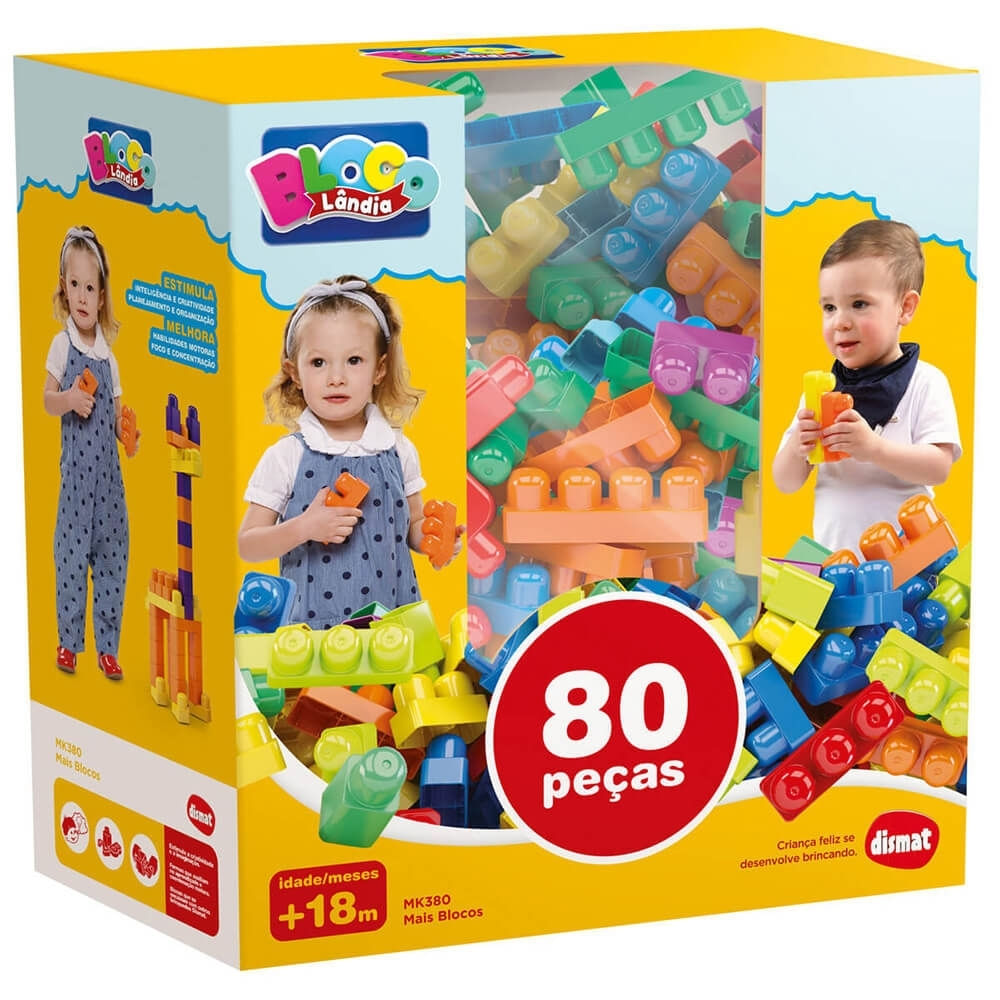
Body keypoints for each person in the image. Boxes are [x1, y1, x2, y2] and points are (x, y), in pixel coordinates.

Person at [239, 275, 462, 629]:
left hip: (393, 627)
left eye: (354, 360)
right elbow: (248, 545)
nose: (336, 377)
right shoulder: (287, 456)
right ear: (294, 372)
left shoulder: (398, 449)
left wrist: (435, 539)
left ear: (379, 369)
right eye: (318, 363)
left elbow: (411, 527)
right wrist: (304, 527)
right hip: (313, 633)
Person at [771, 219, 960, 555]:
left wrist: (873, 449)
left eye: (859, 304)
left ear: (905, 307)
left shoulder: (925, 382)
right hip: (836, 562)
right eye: (829, 307)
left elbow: (939, 467)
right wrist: (798, 447)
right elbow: (785, 482)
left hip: (910, 558)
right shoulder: (821, 392)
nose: (840, 322)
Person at [43, 225, 136, 678]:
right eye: (75, 285)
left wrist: (128, 432)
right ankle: (68, 642)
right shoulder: (62, 345)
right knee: (70, 558)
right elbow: (47, 401)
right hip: (77, 481)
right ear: (64, 287)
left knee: (114, 556)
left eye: (90, 288)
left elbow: (116, 417)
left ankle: (108, 647)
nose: (82, 296)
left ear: (102, 297)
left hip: (110, 483)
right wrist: (69, 399)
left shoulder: (108, 358)